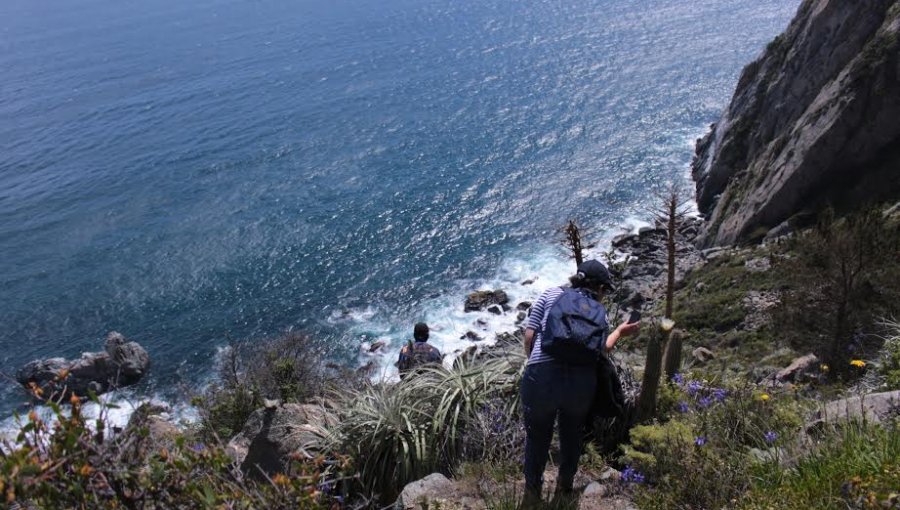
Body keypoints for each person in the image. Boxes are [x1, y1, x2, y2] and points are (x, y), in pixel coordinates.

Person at [521, 259, 640, 502]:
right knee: (572, 432)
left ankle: (533, 491)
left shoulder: (551, 294)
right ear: (600, 288)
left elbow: (529, 335)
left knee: (538, 435)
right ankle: (565, 486)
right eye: (605, 290)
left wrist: (535, 363)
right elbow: (603, 348)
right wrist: (619, 331)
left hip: (542, 374)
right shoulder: (599, 312)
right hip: (580, 381)